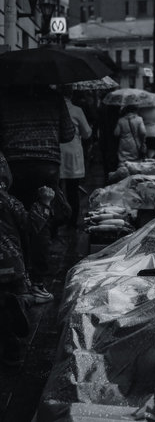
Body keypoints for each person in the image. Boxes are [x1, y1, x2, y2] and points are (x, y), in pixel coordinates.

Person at [0, 85, 74, 302]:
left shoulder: (5, 96)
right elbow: (68, 134)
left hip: (14, 167)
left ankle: (18, 279)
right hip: (46, 166)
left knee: (14, 223)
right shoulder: (53, 97)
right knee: (41, 223)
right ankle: (38, 283)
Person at [0, 152, 55, 364]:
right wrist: (45, 202)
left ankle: (16, 305)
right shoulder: (7, 200)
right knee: (8, 302)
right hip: (10, 263)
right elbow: (32, 225)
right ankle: (19, 306)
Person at [60, 90, 92, 229]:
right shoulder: (77, 110)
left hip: (56, 153)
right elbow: (86, 134)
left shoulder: (54, 109)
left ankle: (58, 219)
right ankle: (72, 221)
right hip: (73, 154)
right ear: (71, 95)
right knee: (73, 190)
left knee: (57, 189)